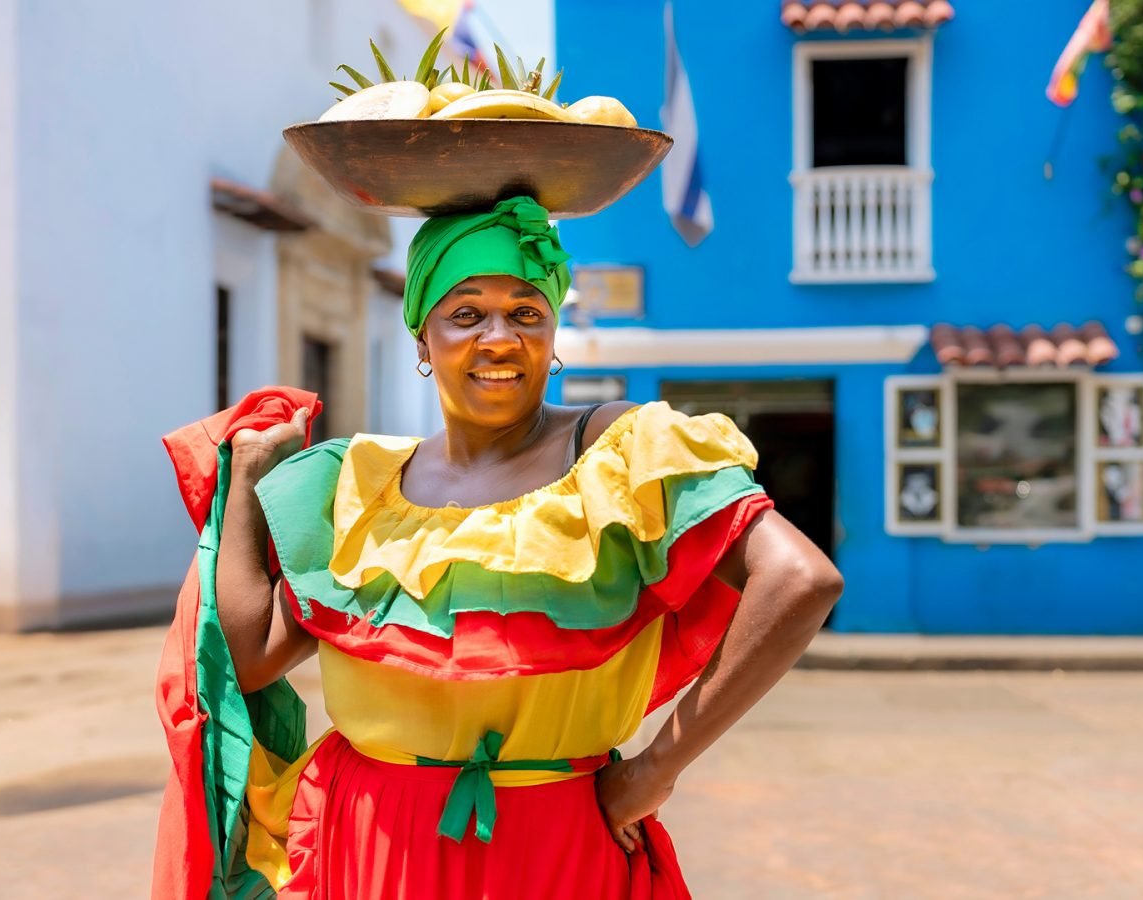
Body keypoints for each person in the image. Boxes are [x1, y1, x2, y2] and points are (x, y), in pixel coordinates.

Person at [156, 196, 842, 899]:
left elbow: (799, 580)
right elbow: (247, 656)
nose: (499, 338)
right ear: (422, 341)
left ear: (553, 333)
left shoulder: (614, 451)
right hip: (369, 844)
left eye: (525, 312)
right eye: (465, 314)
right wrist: (246, 479)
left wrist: (653, 770)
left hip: (552, 844)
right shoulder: (360, 485)